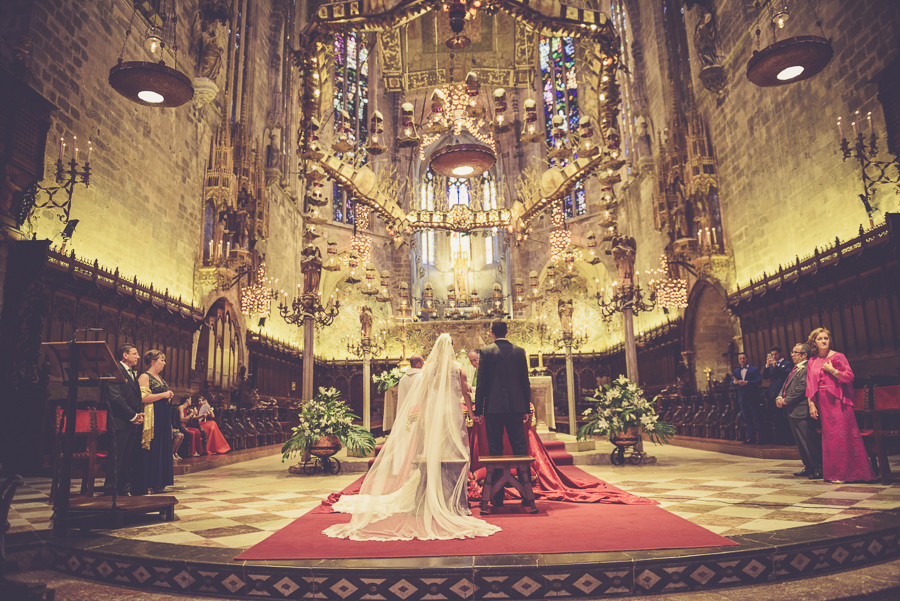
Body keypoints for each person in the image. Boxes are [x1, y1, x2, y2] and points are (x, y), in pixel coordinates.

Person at [324, 333, 498, 541]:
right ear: (451, 348)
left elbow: (423, 395)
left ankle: (426, 499)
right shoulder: (458, 368)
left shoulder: (429, 369)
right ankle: (457, 503)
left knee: (432, 452)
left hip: (433, 413)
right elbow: (466, 394)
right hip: (451, 414)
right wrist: (471, 413)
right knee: (454, 453)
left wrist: (422, 417)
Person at [805, 328, 875, 483]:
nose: (824, 341)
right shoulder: (812, 361)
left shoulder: (838, 356)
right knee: (830, 439)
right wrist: (812, 405)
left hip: (839, 401)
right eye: (820, 339)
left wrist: (832, 370)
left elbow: (849, 377)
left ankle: (852, 473)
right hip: (823, 403)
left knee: (843, 436)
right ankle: (835, 474)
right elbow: (810, 385)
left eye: (826, 338)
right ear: (814, 342)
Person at [474, 319, 531, 459]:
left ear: (491, 333)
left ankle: (496, 478)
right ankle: (524, 479)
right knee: (519, 444)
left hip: (493, 407)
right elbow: (525, 382)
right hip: (515, 406)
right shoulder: (519, 352)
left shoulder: (486, 352)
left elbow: (481, 383)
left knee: (495, 445)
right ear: (507, 332)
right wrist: (526, 409)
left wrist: (478, 411)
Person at [101, 344, 144, 496]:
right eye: (134, 353)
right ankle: (111, 490)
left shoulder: (131, 372)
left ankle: (124, 489)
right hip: (119, 422)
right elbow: (116, 398)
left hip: (132, 422)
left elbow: (135, 397)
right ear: (125, 355)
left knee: (128, 458)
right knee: (117, 458)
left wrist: (139, 415)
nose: (138, 356)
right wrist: (133, 416)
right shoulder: (113, 371)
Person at [776, 344, 822, 479]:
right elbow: (785, 385)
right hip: (792, 410)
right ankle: (808, 466)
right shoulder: (795, 368)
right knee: (800, 442)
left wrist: (787, 400)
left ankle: (818, 467)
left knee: (809, 441)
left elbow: (803, 387)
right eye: (793, 351)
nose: (792, 354)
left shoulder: (807, 367)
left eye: (796, 352)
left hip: (801, 409)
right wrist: (779, 396)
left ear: (804, 355)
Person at [137, 350, 175, 494]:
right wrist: (163, 395)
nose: (164, 363)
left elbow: (159, 395)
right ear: (153, 362)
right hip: (153, 417)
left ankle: (159, 482)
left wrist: (168, 396)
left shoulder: (159, 378)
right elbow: (143, 398)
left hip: (163, 415)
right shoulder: (144, 376)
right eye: (162, 360)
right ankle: (148, 482)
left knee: (161, 446)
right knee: (152, 447)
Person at [763, 346, 793, 444]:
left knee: (785, 417)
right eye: (772, 354)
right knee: (776, 418)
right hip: (773, 394)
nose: (774, 356)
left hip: (784, 393)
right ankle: (779, 439)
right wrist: (767, 366)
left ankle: (788, 439)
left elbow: (786, 374)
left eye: (775, 354)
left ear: (780, 353)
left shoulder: (786, 363)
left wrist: (776, 366)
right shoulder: (771, 365)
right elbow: (765, 376)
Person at [732, 352, 762, 444]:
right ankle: (751, 438)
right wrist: (735, 382)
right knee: (747, 418)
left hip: (753, 397)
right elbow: (731, 382)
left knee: (757, 418)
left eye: (743, 358)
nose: (742, 360)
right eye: (740, 359)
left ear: (747, 359)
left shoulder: (754, 370)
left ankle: (761, 438)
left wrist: (748, 382)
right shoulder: (736, 371)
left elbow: (759, 381)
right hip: (742, 398)